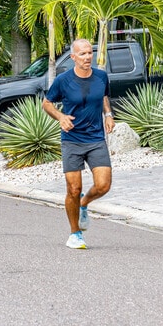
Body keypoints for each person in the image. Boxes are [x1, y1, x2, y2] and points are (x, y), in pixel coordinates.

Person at [42, 38, 115, 249]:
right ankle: (75, 234)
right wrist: (60, 117)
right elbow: (47, 103)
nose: (87, 57)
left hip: (95, 139)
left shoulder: (101, 76)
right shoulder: (63, 80)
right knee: (74, 188)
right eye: (82, 54)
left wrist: (108, 114)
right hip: (72, 140)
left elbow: (103, 96)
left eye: (89, 52)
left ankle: (84, 203)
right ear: (73, 57)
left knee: (103, 185)